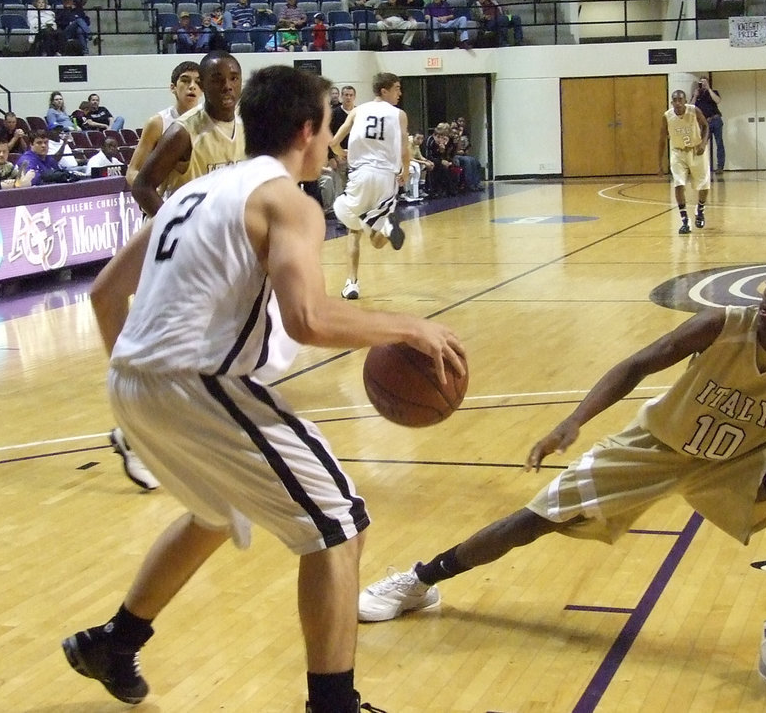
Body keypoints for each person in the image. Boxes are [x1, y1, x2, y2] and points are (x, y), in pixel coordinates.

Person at [60, 64, 466, 713]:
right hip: (196, 382)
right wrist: (410, 328)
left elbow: (106, 293)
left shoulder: (197, 192)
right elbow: (309, 317)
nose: (331, 140)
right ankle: (332, 706)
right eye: (329, 126)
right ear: (307, 130)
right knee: (339, 523)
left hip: (130, 383)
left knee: (215, 515)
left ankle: (115, 641)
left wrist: (139, 385)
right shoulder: (288, 202)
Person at [358, 253, 766, 692]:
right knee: (532, 521)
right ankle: (419, 581)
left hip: (733, 464)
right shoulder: (724, 324)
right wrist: (574, 422)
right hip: (653, 446)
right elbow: (636, 364)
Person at [131, 52, 243, 217]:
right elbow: (141, 186)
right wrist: (175, 226)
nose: (227, 86)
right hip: (189, 235)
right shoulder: (181, 131)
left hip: (222, 229)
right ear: (203, 86)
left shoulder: (247, 125)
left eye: (234, 78)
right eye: (217, 80)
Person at [329, 72, 409, 300]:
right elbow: (404, 147)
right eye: (396, 88)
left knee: (353, 231)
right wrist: (405, 170)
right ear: (383, 91)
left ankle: (352, 284)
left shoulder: (357, 110)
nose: (399, 93)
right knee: (376, 239)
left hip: (360, 175)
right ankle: (387, 229)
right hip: (386, 177)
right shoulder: (399, 115)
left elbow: (333, 142)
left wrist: (339, 153)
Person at [125, 61, 201, 191]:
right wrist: (149, 198)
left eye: (198, 82)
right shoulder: (158, 123)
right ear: (173, 87)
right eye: (185, 80)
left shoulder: (212, 121)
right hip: (168, 203)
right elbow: (133, 171)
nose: (192, 86)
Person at [658, 89, 710, 234]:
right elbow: (662, 140)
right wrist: (660, 164)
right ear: (671, 102)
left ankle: (700, 209)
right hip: (678, 152)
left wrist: (703, 144)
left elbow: (706, 126)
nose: (678, 103)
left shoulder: (694, 111)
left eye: (680, 100)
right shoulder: (667, 116)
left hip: (696, 150)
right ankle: (685, 221)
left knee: (703, 185)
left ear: (685, 101)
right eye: (675, 100)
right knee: (678, 184)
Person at [692, 76, 725, 173]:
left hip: (716, 119)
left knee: (719, 143)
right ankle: (702, 165)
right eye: (701, 83)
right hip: (705, 122)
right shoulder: (697, 95)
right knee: (702, 143)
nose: (702, 85)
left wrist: (708, 89)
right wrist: (695, 95)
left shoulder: (713, 92)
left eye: (704, 82)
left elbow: (718, 100)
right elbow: (690, 107)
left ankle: (720, 167)